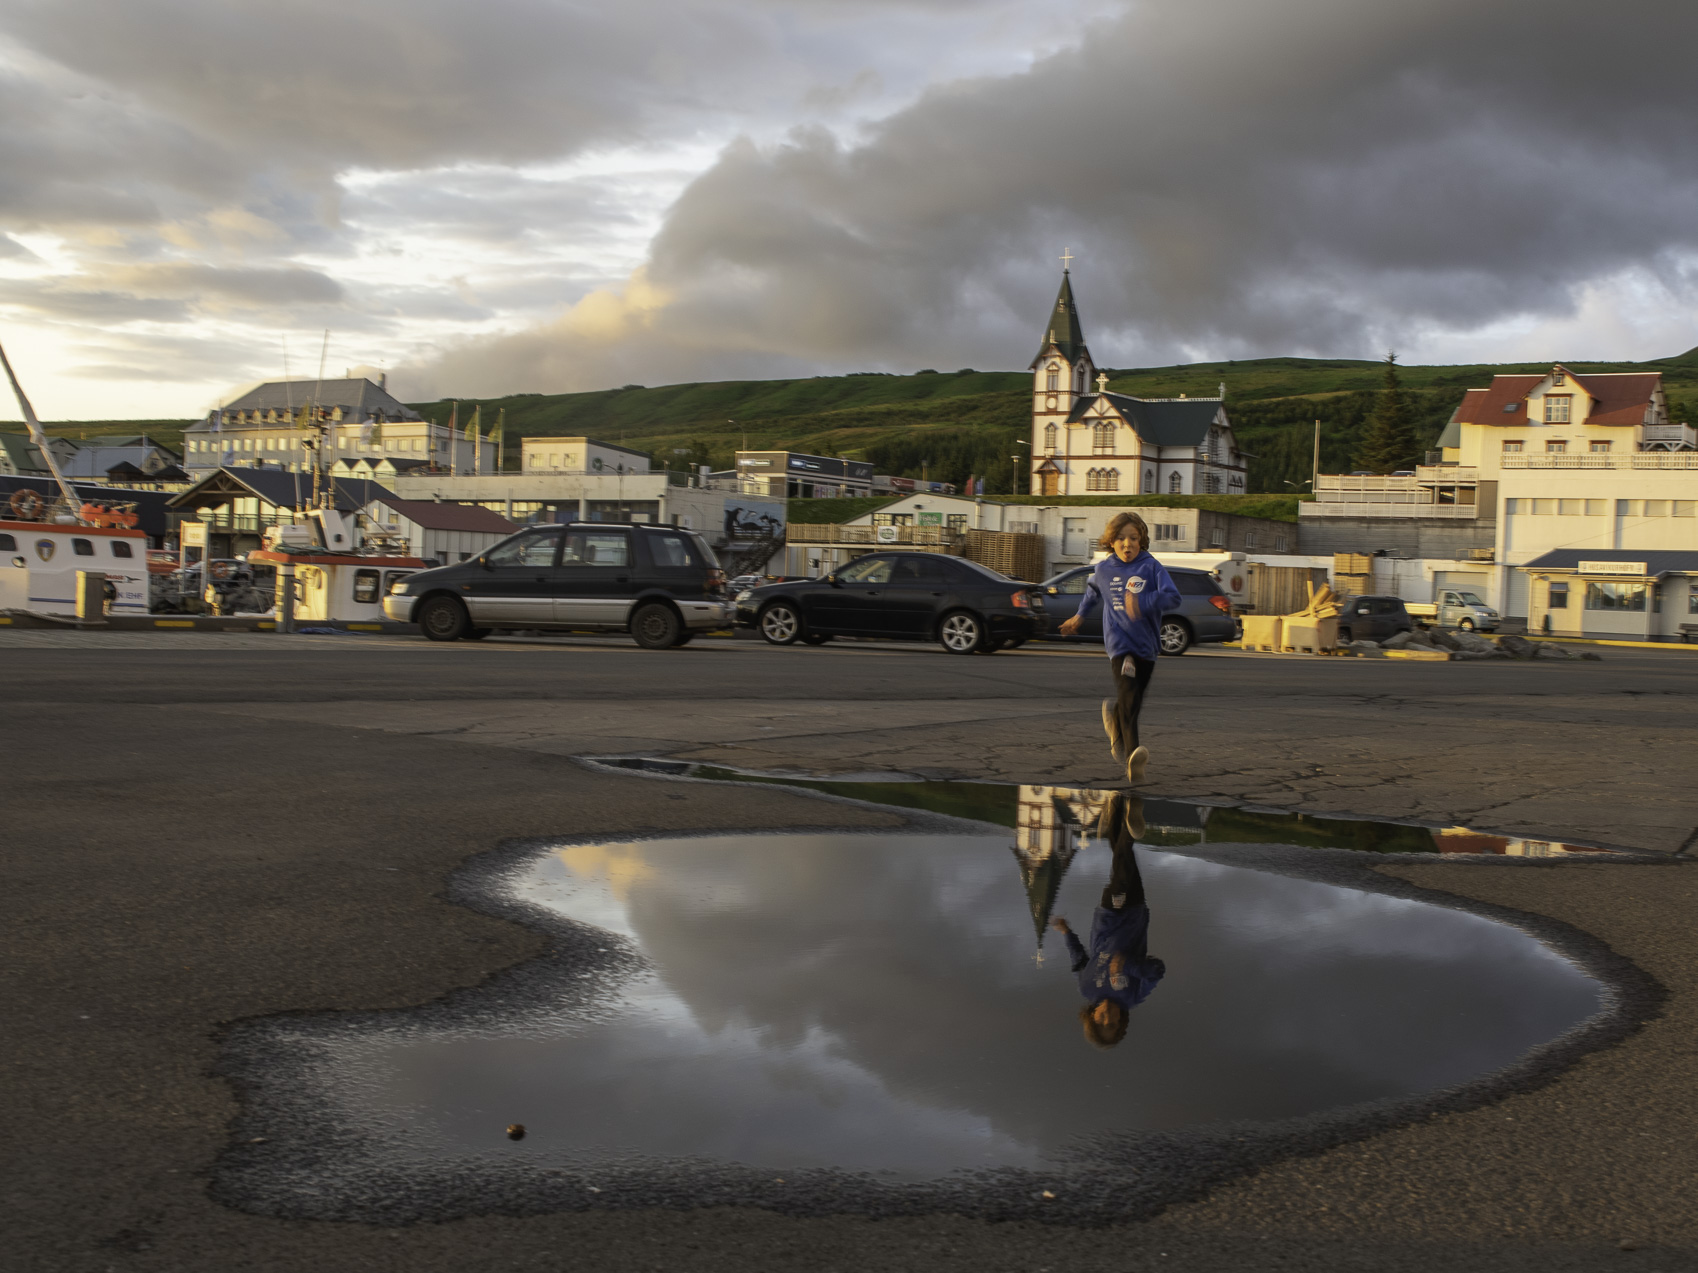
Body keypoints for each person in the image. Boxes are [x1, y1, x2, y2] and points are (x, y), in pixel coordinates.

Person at [1057, 511, 1181, 784]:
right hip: (1119, 644)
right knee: (1129, 694)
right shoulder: (1103, 569)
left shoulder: (1151, 567)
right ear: (1110, 542)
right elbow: (1091, 595)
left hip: (1147, 646)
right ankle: (1133, 756)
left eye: (1134, 538)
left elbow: (1173, 597)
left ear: (1142, 540)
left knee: (1132, 699)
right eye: (1121, 538)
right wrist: (1078, 617)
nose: (1128, 544)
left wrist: (1145, 602)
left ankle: (1115, 724)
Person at [1050, 793, 1165, 1049]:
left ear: (1091, 1017)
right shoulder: (1133, 996)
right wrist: (1127, 966)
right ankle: (1118, 806)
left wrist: (1065, 931)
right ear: (1120, 1023)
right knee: (1122, 860)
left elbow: (1080, 960)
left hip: (1109, 916)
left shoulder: (1087, 989)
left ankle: (1130, 816)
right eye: (1111, 1024)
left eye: (1100, 1021)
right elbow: (1157, 971)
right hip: (1135, 914)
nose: (1107, 1018)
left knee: (1122, 864)